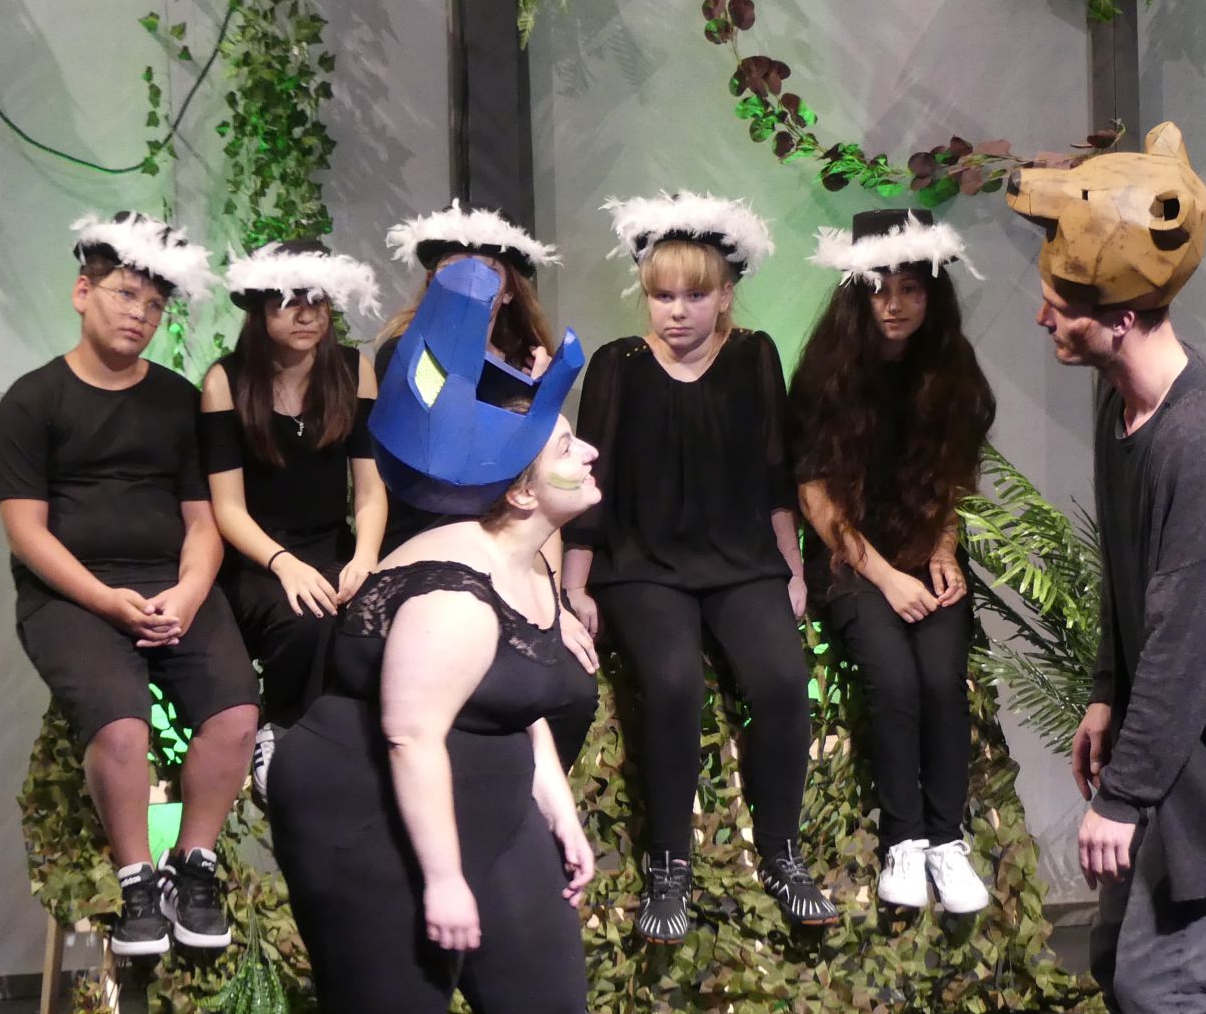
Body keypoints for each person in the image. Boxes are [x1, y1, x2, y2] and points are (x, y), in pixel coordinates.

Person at [1008, 123, 1206, 1013]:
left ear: (1121, 317)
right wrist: (1105, 693)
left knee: (1161, 984)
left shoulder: (1199, 438)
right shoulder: (1124, 408)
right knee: (1121, 965)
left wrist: (1123, 798)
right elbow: (1131, 581)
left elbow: (1186, 644)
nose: (1043, 317)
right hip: (1174, 747)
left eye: (1061, 304)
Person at [269, 258, 597, 1013]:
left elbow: (517, 698)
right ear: (522, 492)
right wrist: (443, 879)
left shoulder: (525, 562)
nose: (589, 453)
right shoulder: (454, 593)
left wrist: (559, 808)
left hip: (488, 794)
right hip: (368, 814)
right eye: (566, 448)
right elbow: (411, 737)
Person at [563, 191, 837, 939]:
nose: (677, 311)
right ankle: (669, 864)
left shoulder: (754, 356)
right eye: (663, 296)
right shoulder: (619, 365)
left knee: (782, 678)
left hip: (741, 560)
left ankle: (782, 852)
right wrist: (574, 584)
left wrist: (792, 568)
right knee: (673, 683)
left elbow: (776, 476)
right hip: (643, 564)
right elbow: (591, 481)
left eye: (693, 295)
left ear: (725, 295)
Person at [0, 212, 259, 958]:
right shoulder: (32, 400)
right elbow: (26, 532)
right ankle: (137, 881)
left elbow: (204, 519)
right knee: (121, 725)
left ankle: (192, 867)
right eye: (125, 295)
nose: (139, 313)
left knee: (237, 712)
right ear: (83, 292)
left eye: (154, 304)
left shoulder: (178, 399)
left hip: (173, 588)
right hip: (72, 598)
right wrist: (105, 600)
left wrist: (191, 592)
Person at [791, 208, 997, 915]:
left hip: (922, 548)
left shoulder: (952, 371)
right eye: (880, 288)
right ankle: (903, 841)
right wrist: (884, 576)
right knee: (895, 679)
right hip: (853, 559)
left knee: (942, 679)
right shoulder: (826, 374)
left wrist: (944, 552)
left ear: (932, 293)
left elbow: (955, 477)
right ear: (856, 291)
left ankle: (947, 840)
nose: (895, 304)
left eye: (911, 288)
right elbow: (815, 498)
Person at [375, 200, 596, 768]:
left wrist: (553, 601)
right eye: (457, 271)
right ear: (433, 282)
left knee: (572, 690)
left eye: (488, 273)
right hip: (431, 534)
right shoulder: (408, 356)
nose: (473, 285)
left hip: (515, 537)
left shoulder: (528, 361)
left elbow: (542, 495)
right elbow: (446, 453)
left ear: (508, 290)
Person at [199, 239, 388, 794]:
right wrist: (284, 563)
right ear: (261, 310)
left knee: (385, 612)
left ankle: (358, 741)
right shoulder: (226, 381)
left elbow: (370, 489)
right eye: (288, 302)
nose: (306, 314)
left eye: (317, 301)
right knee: (307, 615)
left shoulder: (354, 370)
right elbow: (227, 508)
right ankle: (280, 728)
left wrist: (366, 558)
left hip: (332, 543)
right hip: (256, 558)